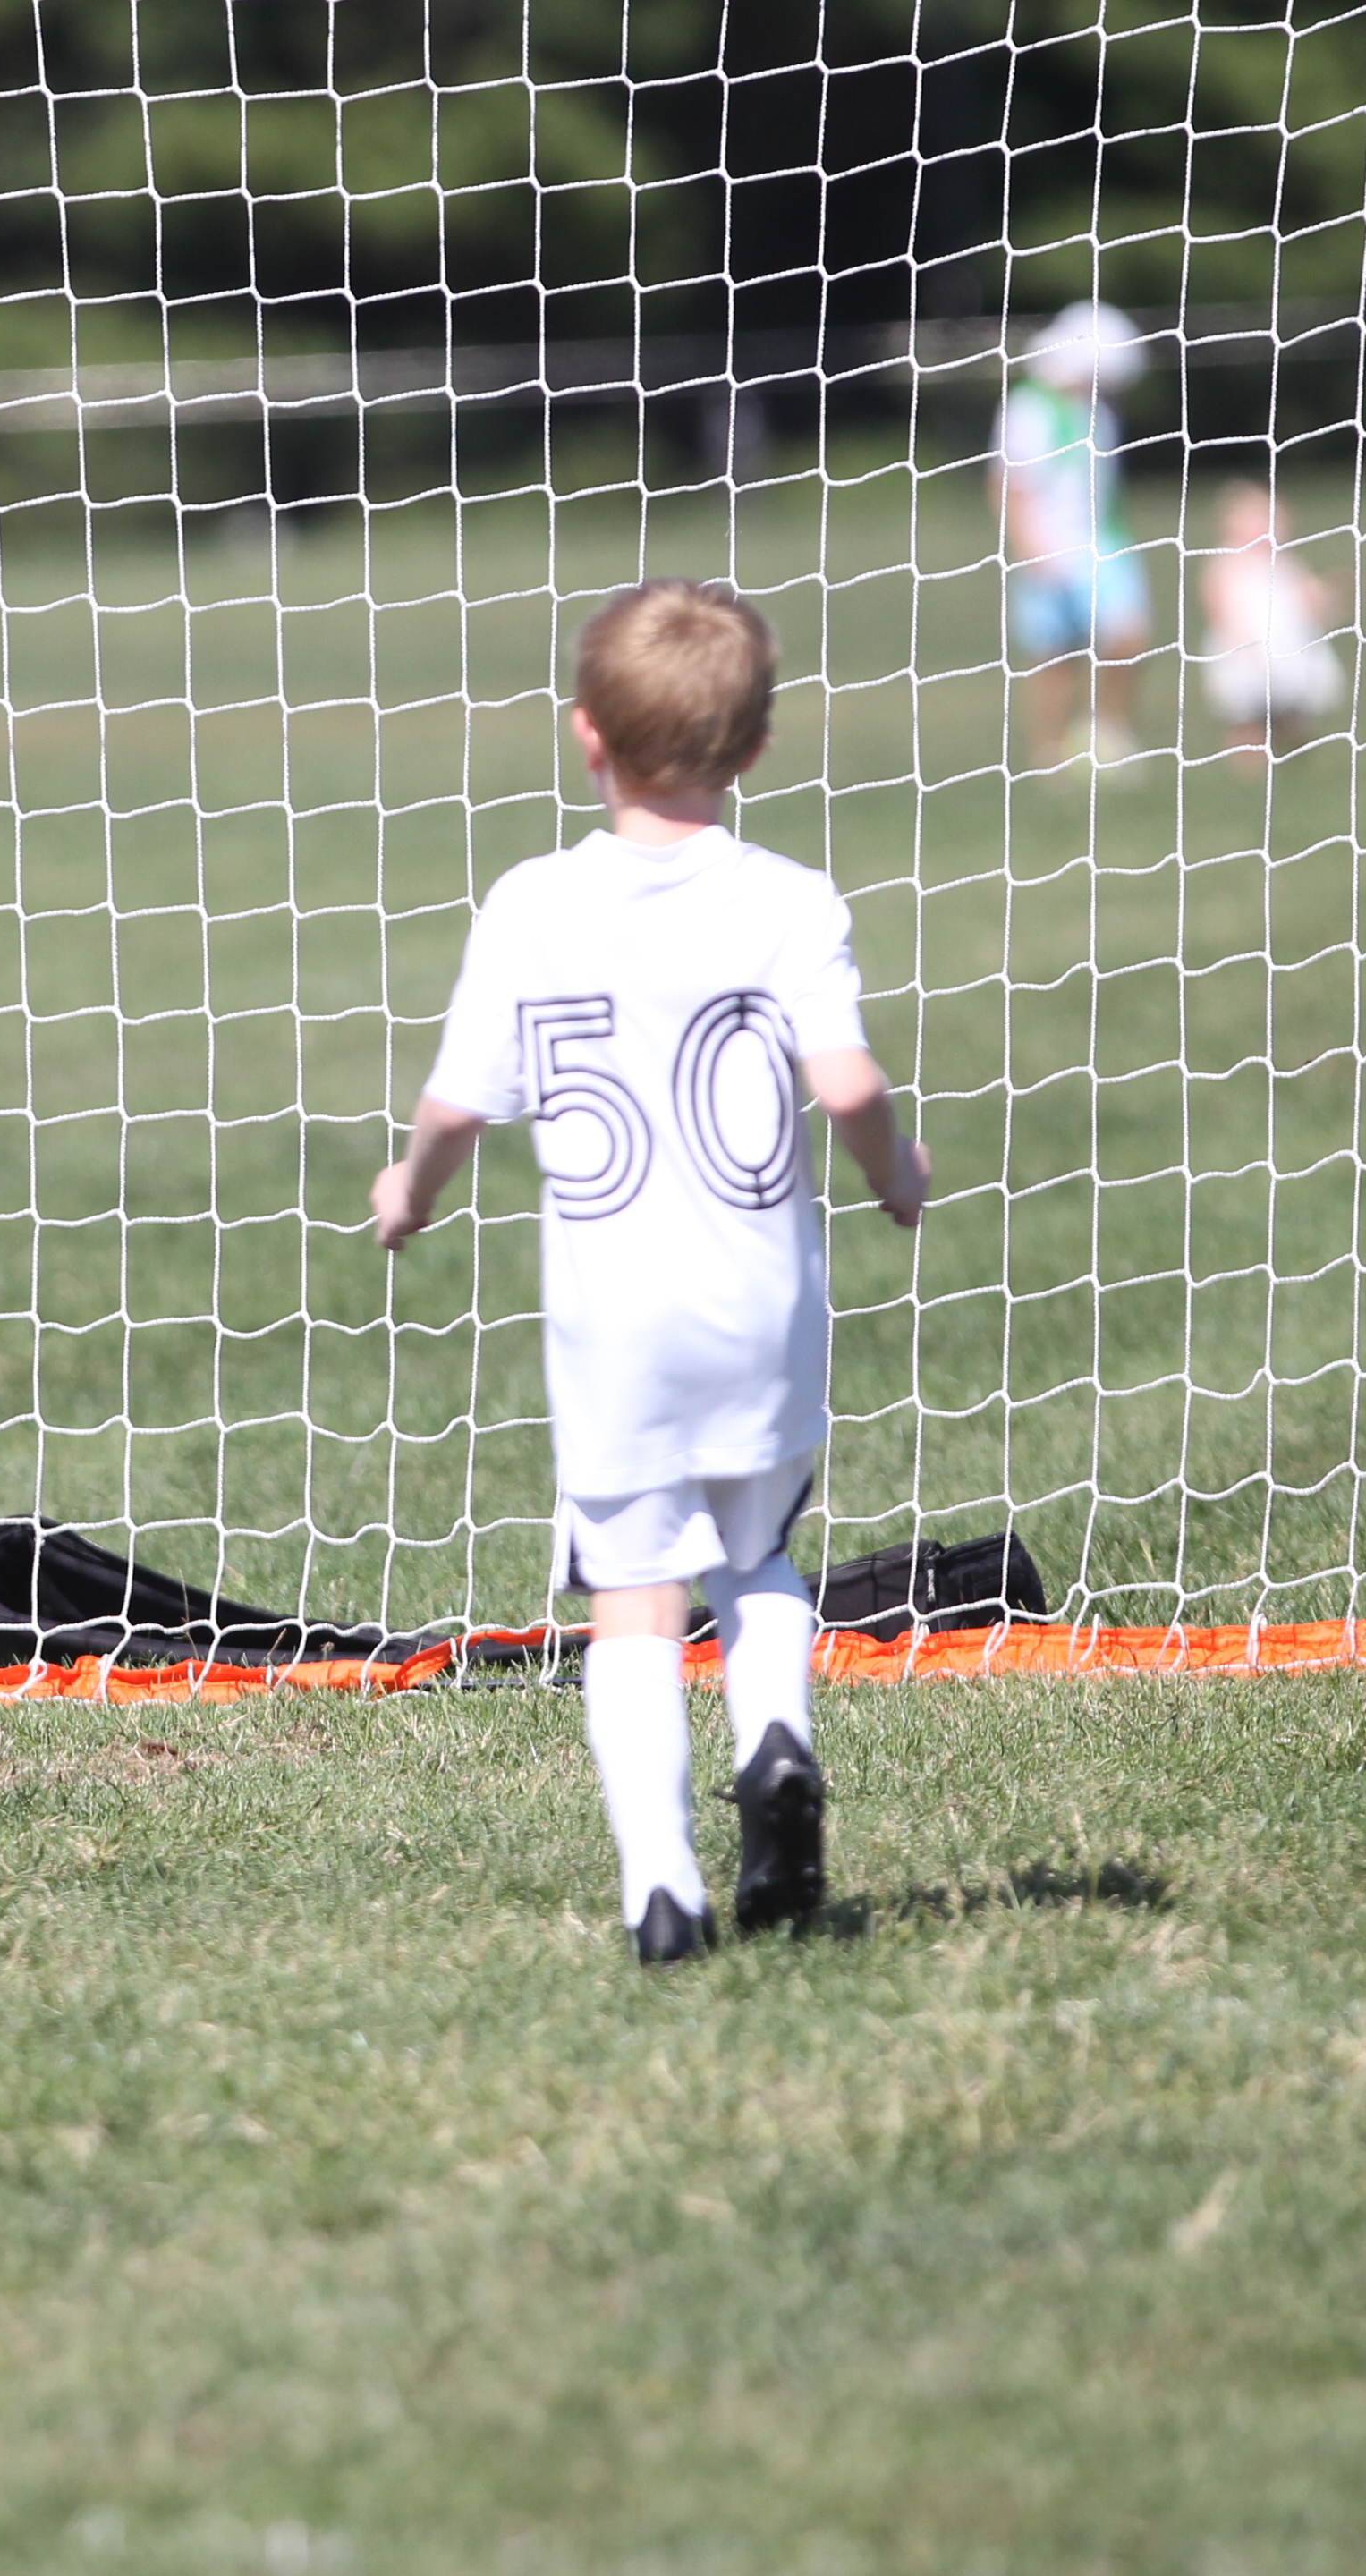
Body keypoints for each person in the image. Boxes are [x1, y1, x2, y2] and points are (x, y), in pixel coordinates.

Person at [373, 583, 929, 1963]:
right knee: (758, 1555)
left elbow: (458, 1106)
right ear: (755, 747)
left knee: (632, 1604)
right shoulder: (787, 898)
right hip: (759, 1306)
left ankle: (662, 1889)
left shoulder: (534, 902)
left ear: (586, 735)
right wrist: (893, 1170)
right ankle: (777, 1738)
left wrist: (410, 1191)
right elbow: (848, 1083)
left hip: (616, 1324)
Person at [996, 299, 1154, 769]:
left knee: (1128, 634)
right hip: (1050, 547)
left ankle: (1108, 733)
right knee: (1054, 655)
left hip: (1102, 542)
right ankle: (1049, 755)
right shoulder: (1029, 406)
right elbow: (1010, 484)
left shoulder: (1098, 410)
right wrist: (1031, 549)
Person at [1195, 480, 1345, 770]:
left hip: (1289, 646)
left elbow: (1307, 597)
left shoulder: (1286, 562)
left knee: (1292, 708)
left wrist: (1328, 595)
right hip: (1245, 647)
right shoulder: (1227, 562)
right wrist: (1238, 639)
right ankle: (1248, 762)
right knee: (1248, 715)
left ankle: (1291, 749)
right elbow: (1215, 600)